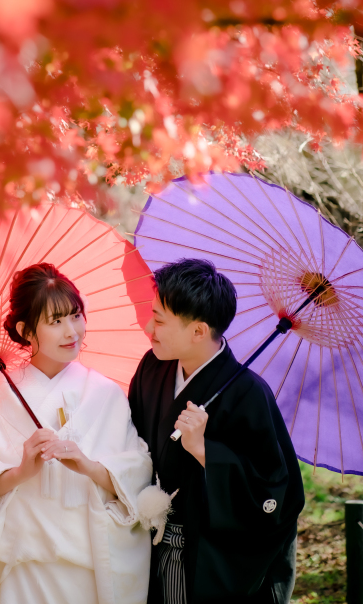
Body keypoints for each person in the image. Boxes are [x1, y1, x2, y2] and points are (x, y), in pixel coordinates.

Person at [0, 262, 153, 604]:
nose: (71, 331)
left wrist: (87, 465)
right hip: (25, 566)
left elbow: (138, 471)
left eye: (75, 315)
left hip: (90, 565)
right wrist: (21, 471)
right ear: (27, 331)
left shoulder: (105, 394)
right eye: (55, 322)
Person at [128, 258, 305, 604]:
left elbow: (278, 493)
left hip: (204, 556)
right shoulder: (153, 366)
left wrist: (206, 451)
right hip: (143, 540)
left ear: (198, 331)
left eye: (160, 321)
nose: (148, 328)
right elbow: (128, 438)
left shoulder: (250, 394)